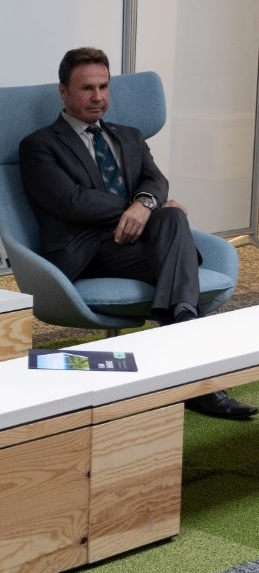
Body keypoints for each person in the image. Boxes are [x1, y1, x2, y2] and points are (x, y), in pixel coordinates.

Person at [19, 47, 256, 421]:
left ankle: (178, 326)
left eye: (103, 87)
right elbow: (71, 202)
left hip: (141, 244)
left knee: (173, 222)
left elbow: (155, 180)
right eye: (86, 88)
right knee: (173, 236)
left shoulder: (127, 136)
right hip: (89, 251)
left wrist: (146, 203)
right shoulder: (39, 145)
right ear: (63, 91)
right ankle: (198, 371)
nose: (98, 97)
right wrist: (144, 207)